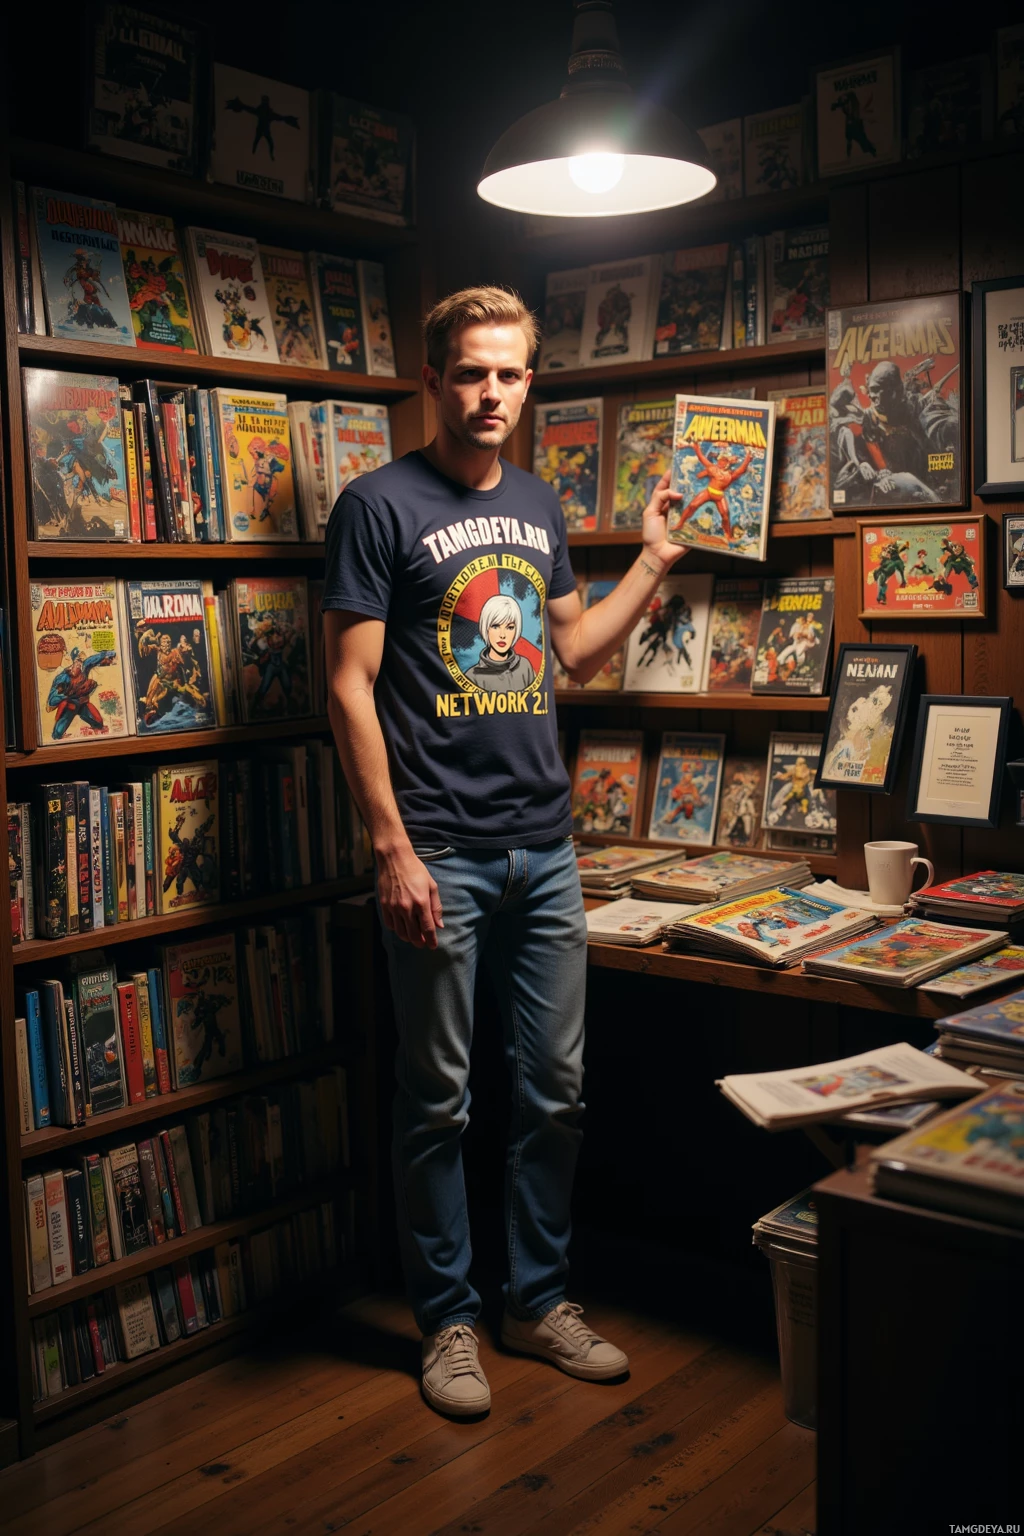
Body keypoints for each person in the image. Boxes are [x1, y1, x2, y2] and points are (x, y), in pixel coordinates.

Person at [323, 286, 687, 1419]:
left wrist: (654, 563)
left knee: (556, 1093)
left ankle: (537, 1301)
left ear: (531, 383)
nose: (492, 394)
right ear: (433, 379)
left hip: (547, 848)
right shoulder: (376, 505)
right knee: (437, 1101)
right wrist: (392, 848)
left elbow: (569, 651)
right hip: (440, 849)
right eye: (472, 373)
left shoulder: (536, 504)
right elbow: (347, 684)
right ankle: (448, 1324)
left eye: (511, 375)